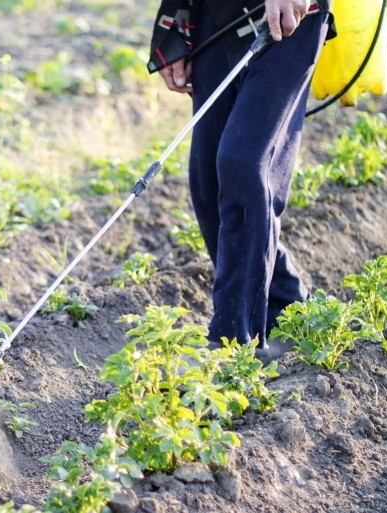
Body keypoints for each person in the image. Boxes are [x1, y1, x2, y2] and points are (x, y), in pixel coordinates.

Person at [147, 0, 334, 361]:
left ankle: (234, 344)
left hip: (287, 15)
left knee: (245, 164)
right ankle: (287, 303)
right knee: (208, 182)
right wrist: (175, 29)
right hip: (215, 17)